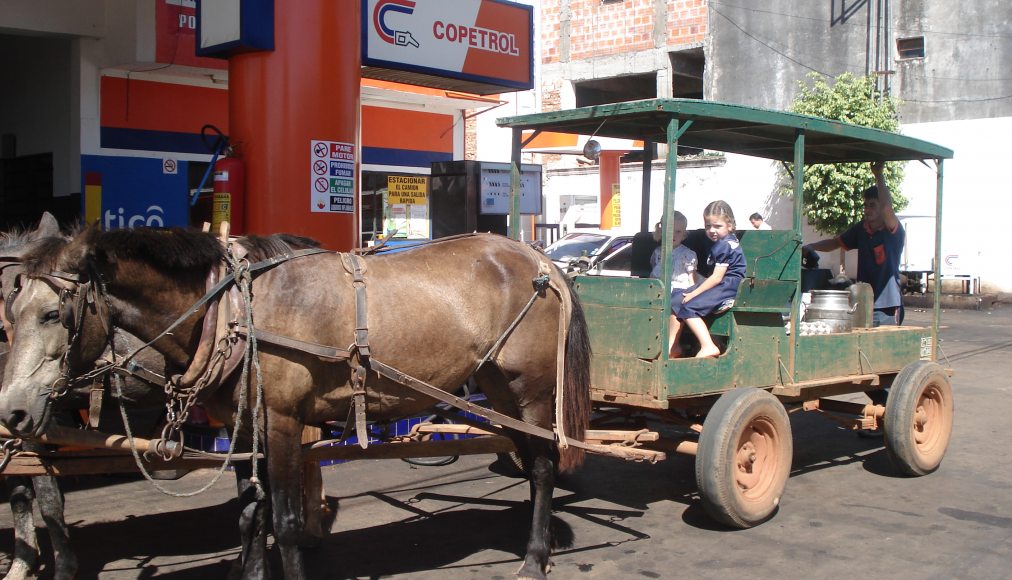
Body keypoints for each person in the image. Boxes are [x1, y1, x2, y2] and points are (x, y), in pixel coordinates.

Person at [803, 162, 904, 327]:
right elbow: (836, 243)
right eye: (865, 205)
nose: (867, 209)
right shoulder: (861, 229)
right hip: (863, 301)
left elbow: (887, 207)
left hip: (887, 306)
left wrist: (879, 175)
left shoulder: (892, 230)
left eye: (872, 205)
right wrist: (811, 246)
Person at [668, 201, 746, 358]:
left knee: (689, 305)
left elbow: (717, 278)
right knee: (675, 300)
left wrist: (694, 293)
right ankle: (673, 346)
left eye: (717, 226)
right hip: (722, 283)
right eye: (708, 226)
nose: (712, 230)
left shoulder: (726, 245)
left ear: (730, 225)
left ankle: (708, 345)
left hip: (728, 286)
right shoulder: (722, 243)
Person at [650, 210, 698, 288]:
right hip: (659, 290)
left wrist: (693, 293)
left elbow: (692, 277)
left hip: (679, 290)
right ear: (661, 231)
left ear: (684, 235)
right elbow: (654, 270)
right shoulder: (657, 252)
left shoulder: (688, 254)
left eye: (678, 232)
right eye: (669, 230)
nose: (673, 235)